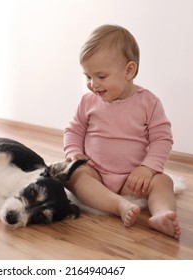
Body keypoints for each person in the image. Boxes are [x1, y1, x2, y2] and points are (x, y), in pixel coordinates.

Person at [64, 24, 181, 239]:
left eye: (101, 76)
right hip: (96, 173)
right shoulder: (88, 101)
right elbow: (74, 130)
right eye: (88, 76)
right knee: (73, 177)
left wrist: (147, 168)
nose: (93, 84)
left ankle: (162, 214)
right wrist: (74, 153)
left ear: (129, 71)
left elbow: (161, 139)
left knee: (163, 182)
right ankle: (118, 205)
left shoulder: (148, 102)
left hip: (133, 178)